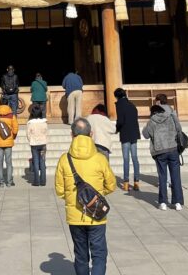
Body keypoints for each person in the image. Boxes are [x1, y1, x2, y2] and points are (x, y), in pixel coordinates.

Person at [54, 117, 116, 275]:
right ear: (91, 134)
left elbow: (60, 190)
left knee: (80, 255)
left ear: (71, 135)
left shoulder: (64, 160)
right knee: (99, 254)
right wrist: (97, 194)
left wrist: (74, 198)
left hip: (74, 215)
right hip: (97, 212)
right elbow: (111, 185)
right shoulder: (100, 159)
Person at [142, 104, 184, 211]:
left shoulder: (152, 121)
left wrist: (145, 126)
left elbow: (146, 135)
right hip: (172, 148)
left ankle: (163, 202)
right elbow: (179, 129)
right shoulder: (171, 117)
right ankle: (178, 202)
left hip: (160, 151)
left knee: (162, 177)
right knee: (176, 176)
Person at [113, 88, 141, 192]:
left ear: (117, 96)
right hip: (134, 133)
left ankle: (125, 182)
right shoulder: (132, 105)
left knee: (126, 159)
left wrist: (117, 129)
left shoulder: (119, 105)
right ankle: (136, 182)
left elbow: (120, 121)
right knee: (135, 158)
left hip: (125, 133)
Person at [0, 95, 19, 187]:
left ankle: (0, 182)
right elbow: (16, 128)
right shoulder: (12, 115)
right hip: (8, 141)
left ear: (0, 103)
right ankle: (9, 182)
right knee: (9, 162)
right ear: (7, 103)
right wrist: (12, 137)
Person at [26, 102, 49, 186]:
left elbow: (28, 134)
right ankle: (43, 181)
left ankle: (36, 181)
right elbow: (46, 133)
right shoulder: (44, 123)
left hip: (34, 144)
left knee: (35, 162)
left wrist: (31, 140)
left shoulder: (30, 123)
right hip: (43, 144)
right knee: (42, 162)